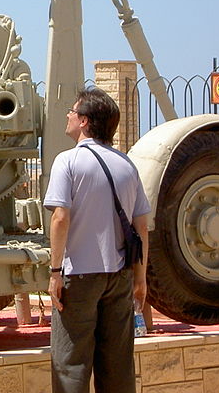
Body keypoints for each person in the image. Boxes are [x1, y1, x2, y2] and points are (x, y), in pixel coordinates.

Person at [44, 88, 151, 393]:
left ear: (84, 121)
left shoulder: (67, 161)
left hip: (78, 277)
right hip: (120, 276)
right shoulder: (126, 165)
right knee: (117, 365)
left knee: (71, 365)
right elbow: (141, 226)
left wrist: (54, 273)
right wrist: (140, 279)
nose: (67, 114)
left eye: (72, 111)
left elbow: (60, 218)